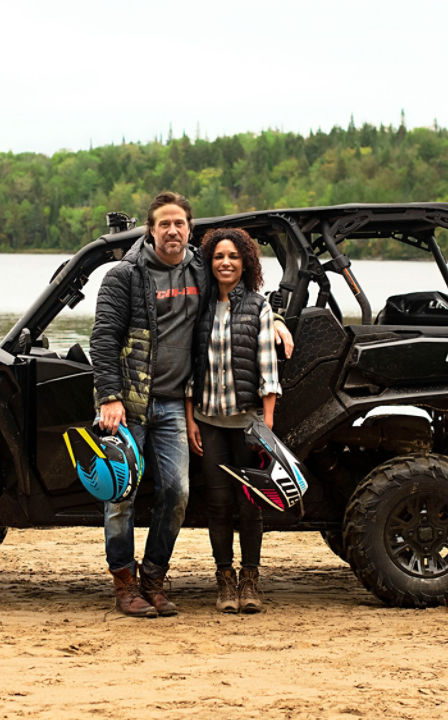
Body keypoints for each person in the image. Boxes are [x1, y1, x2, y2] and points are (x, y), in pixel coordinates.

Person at [90, 191, 204, 618]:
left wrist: (279, 323)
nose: (172, 231)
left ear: (189, 229)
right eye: (164, 224)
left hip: (175, 405)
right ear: (151, 230)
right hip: (128, 405)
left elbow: (242, 296)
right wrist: (110, 397)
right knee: (121, 495)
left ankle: (153, 578)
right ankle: (124, 586)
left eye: (179, 224)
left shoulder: (201, 271)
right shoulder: (125, 276)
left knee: (177, 491)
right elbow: (103, 339)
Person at [185, 227, 281, 614]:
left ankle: (251, 579)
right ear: (210, 263)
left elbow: (267, 368)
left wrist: (267, 423)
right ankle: (224, 580)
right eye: (219, 257)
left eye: (233, 257)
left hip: (248, 422)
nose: (226, 263)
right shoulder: (200, 308)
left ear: (246, 263)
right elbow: (191, 369)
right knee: (219, 502)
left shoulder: (259, 306)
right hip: (209, 420)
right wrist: (191, 419)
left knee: (250, 504)